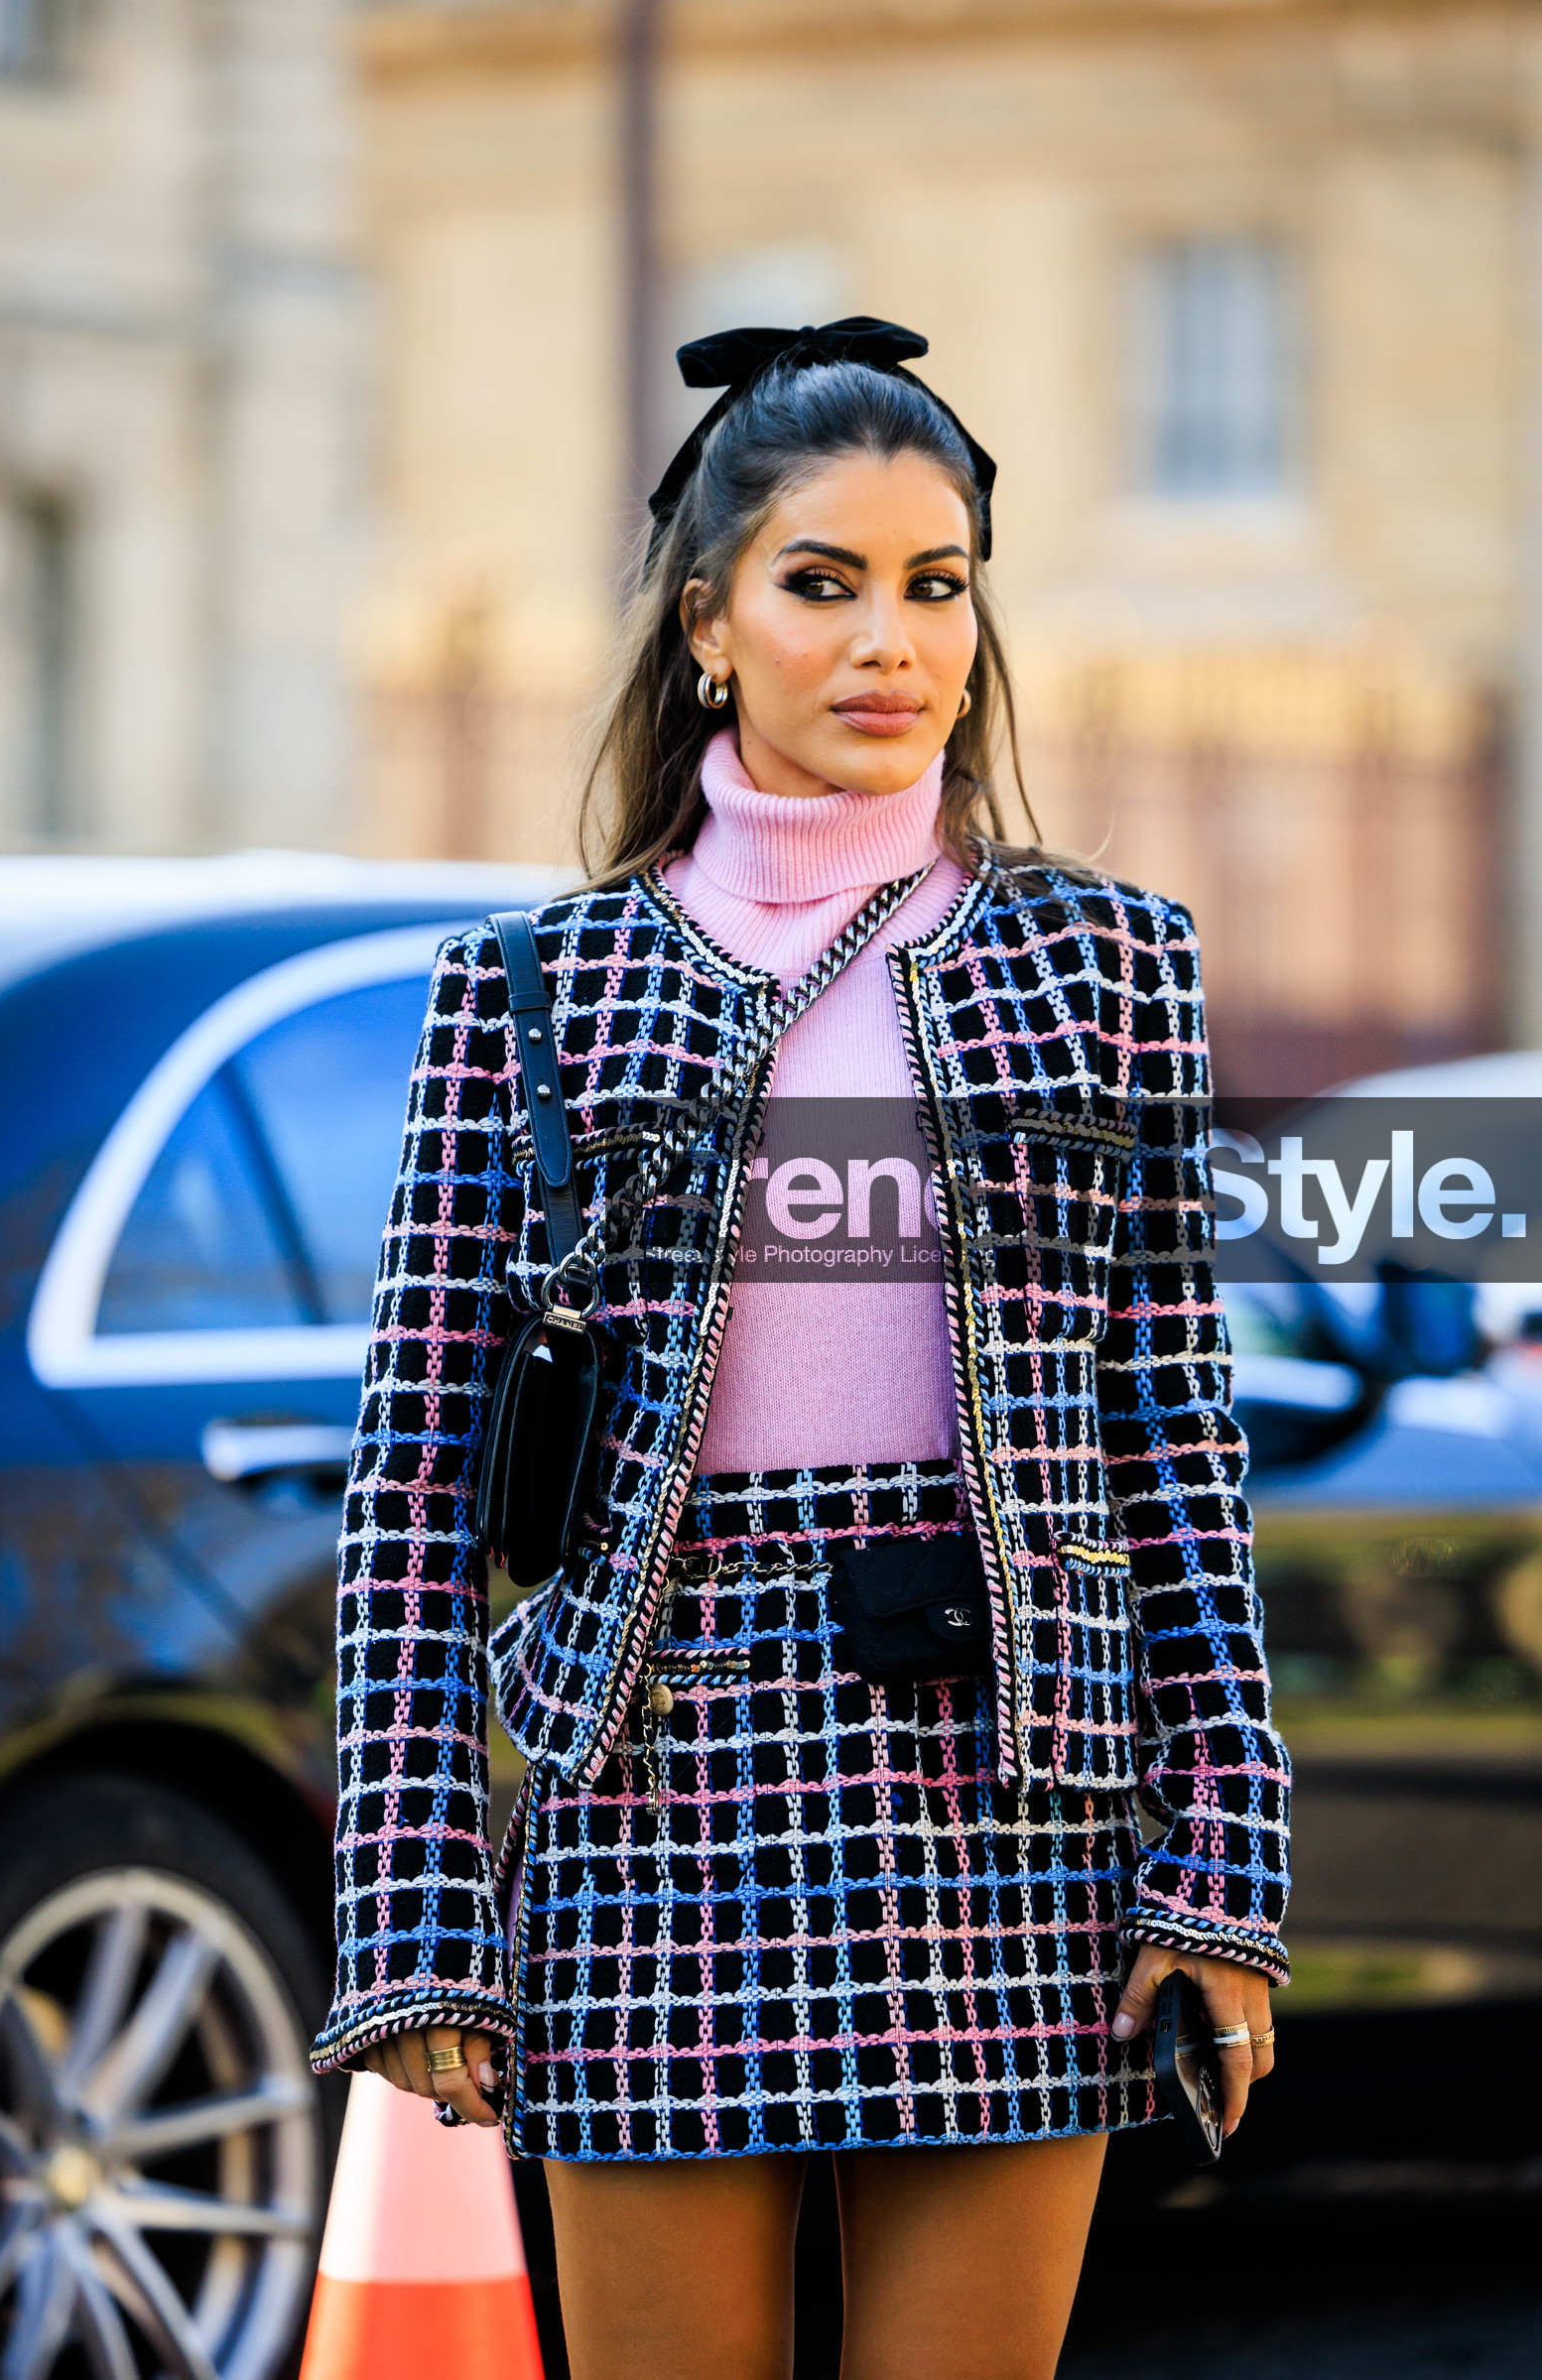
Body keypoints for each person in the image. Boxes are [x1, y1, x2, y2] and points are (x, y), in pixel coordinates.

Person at [311, 318, 1291, 2380]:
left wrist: (1217, 1865)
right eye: (821, 584)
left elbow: (1169, 1439)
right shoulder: (532, 991)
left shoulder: (1102, 963)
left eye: (933, 587)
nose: (888, 643)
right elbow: (414, 1476)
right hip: (654, 1781)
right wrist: (406, 1908)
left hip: (1014, 1781)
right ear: (706, 623)